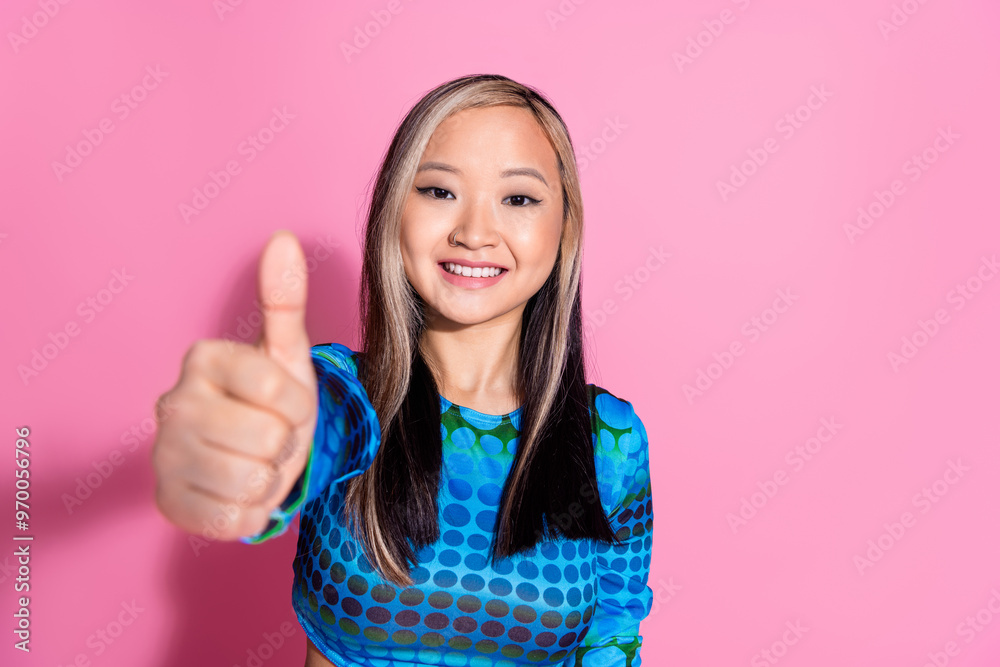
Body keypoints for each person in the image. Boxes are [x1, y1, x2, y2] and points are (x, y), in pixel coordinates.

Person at [152, 74, 654, 667]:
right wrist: (245, 459)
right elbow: (304, 433)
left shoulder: (612, 441)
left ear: (564, 229)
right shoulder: (347, 395)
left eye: (518, 198)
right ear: (395, 210)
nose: (474, 232)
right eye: (439, 191)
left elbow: (615, 630)